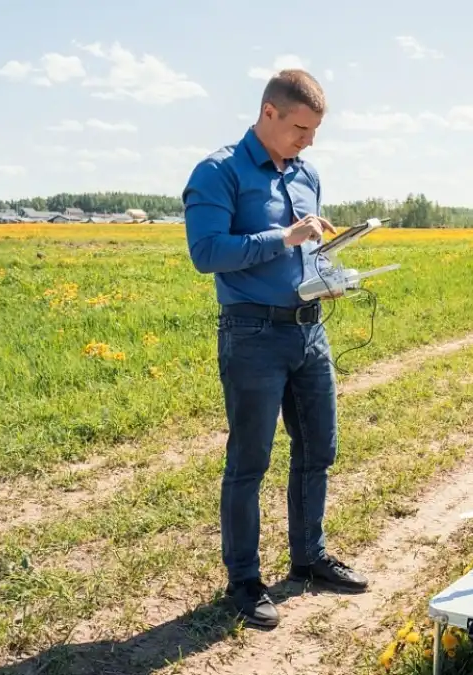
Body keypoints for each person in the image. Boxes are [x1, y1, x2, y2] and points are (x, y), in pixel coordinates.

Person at [181, 68, 369, 629]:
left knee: (318, 450)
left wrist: (326, 269)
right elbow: (207, 252)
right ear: (269, 114)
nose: (308, 141)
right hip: (253, 335)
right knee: (250, 462)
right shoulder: (218, 172)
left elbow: (303, 254)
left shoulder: (307, 174)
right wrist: (282, 238)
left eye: (314, 131)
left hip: (309, 329)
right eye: (301, 129)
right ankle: (243, 581)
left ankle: (309, 558)